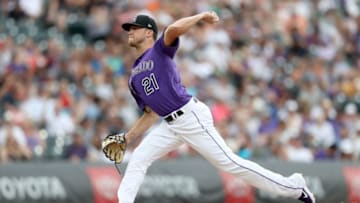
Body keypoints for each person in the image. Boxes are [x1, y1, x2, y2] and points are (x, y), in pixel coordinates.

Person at [118, 12, 315, 203]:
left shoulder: (159, 51)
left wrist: (200, 17)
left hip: (189, 117)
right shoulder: (134, 76)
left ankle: (294, 187)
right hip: (169, 126)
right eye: (129, 28)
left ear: (148, 32)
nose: (130, 31)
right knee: (139, 157)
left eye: (135, 28)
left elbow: (173, 29)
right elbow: (150, 115)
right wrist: (127, 139)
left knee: (231, 163)